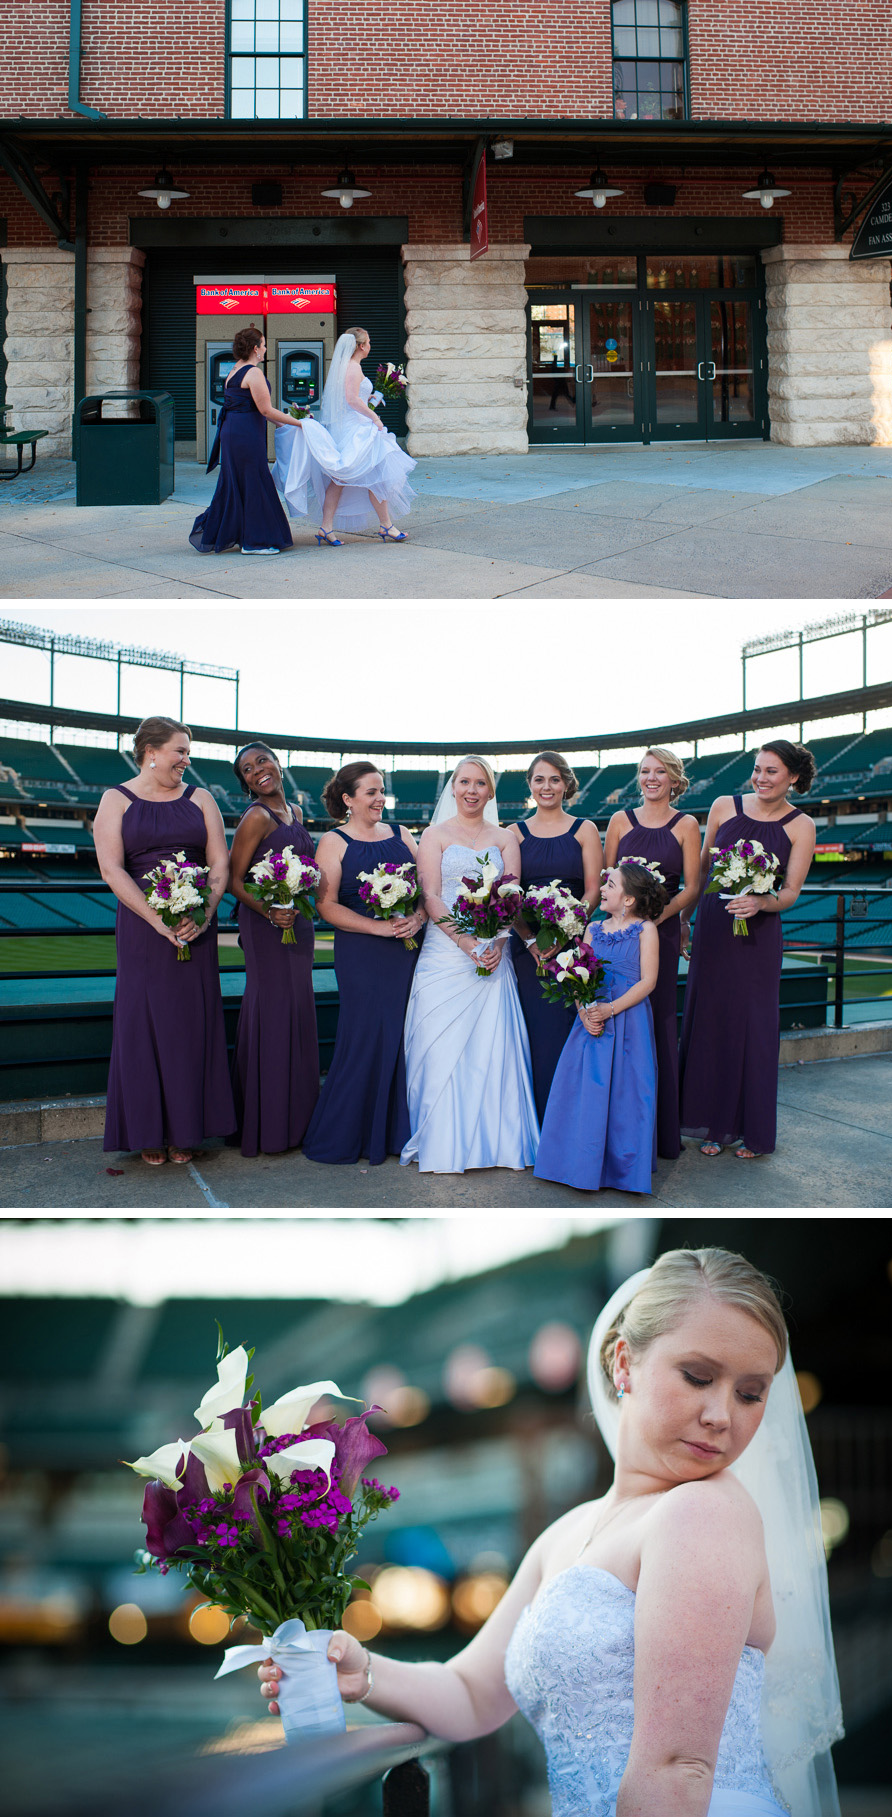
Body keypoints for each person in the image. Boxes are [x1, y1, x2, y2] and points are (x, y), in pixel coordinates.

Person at [259, 1247, 843, 1817]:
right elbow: (471, 1696)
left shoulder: (705, 1513)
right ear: (623, 1364)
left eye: (750, 1393)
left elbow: (677, 1770)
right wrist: (364, 1673)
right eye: (697, 1377)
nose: (722, 1415)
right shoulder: (567, 1534)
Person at [93, 714, 235, 1164]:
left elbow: (219, 863)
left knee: (190, 1026)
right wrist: (156, 919)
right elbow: (111, 868)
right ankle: (148, 1131)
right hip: (142, 927)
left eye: (187, 752)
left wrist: (205, 913)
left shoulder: (202, 799)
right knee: (142, 1025)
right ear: (151, 752)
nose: (186, 761)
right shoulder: (115, 799)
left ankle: (186, 1132)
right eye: (180, 751)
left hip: (196, 925)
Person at [400, 756, 539, 1174]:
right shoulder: (434, 835)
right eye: (464, 782)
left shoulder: (506, 837)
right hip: (445, 952)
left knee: (492, 1047)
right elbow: (430, 895)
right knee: (440, 1047)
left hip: (494, 950)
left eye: (480, 783)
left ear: (490, 791)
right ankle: (444, 1142)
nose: (472, 790)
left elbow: (511, 897)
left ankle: (498, 1144)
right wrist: (463, 941)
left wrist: (496, 941)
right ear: (454, 788)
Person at [679, 740, 817, 1159]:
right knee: (711, 1022)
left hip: (758, 936)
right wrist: (686, 919)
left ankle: (749, 1130)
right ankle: (714, 1124)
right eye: (757, 769)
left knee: (752, 1029)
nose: (760, 778)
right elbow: (703, 869)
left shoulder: (801, 825)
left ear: (792, 776)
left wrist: (760, 902)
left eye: (772, 771)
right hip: (715, 929)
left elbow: (791, 891)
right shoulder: (723, 805)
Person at [302, 761, 425, 1165]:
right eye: (371, 792)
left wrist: (418, 918)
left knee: (404, 1036)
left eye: (381, 790)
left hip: (408, 949)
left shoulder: (403, 834)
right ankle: (350, 1133)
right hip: (362, 953)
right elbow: (325, 905)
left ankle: (395, 1134)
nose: (380, 799)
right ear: (348, 799)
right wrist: (377, 929)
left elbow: (428, 889)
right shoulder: (333, 842)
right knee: (365, 1037)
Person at [533, 861, 665, 1195]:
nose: (602, 889)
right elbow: (579, 971)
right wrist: (584, 1010)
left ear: (629, 899)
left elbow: (648, 981)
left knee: (627, 1091)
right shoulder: (593, 928)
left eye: (610, 885)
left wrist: (611, 1009)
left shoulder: (646, 930)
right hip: (591, 1014)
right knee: (586, 1090)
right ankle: (577, 1163)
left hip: (627, 1018)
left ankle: (623, 1170)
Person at [604, 747, 701, 1159]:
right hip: (616, 938)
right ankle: (612, 1126)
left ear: (674, 779)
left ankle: (658, 1133)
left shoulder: (687, 824)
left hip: (656, 935)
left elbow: (693, 887)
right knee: (613, 1023)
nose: (651, 778)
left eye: (660, 771)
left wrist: (655, 919)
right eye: (645, 771)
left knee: (656, 1027)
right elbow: (609, 880)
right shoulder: (619, 821)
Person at [227, 742, 320, 1158]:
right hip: (267, 924)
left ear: (277, 763)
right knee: (271, 1010)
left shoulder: (296, 813)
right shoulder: (255, 817)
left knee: (298, 1010)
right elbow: (233, 880)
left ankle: (297, 1120)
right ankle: (264, 1124)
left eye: (261, 760)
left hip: (297, 922)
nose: (257, 771)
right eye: (247, 769)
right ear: (246, 782)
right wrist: (269, 910)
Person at [510, 750, 603, 1122]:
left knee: (570, 1032)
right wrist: (532, 939)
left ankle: (570, 1124)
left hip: (573, 948)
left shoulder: (586, 830)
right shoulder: (513, 832)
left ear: (566, 784)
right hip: (527, 949)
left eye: (554, 779)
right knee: (534, 1034)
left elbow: (594, 890)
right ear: (530, 785)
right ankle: (534, 1126)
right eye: (539, 779)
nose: (546, 787)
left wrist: (565, 929)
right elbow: (508, 894)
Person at [282, 326, 416, 544]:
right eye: (369, 342)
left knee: (350, 479)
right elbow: (352, 400)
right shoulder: (353, 367)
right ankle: (384, 526)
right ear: (361, 346)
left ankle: (336, 527)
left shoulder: (349, 367)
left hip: (352, 427)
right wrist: (375, 418)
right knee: (364, 476)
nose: (370, 346)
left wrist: (372, 397)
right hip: (357, 430)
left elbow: (351, 398)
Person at [189, 326, 304, 556]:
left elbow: (252, 407)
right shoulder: (253, 373)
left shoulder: (235, 370)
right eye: (263, 344)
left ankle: (244, 536)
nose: (265, 348)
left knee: (238, 482)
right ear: (255, 348)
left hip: (233, 432)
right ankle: (255, 541)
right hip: (246, 434)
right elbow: (266, 410)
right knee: (253, 481)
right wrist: (299, 423)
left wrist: (286, 424)